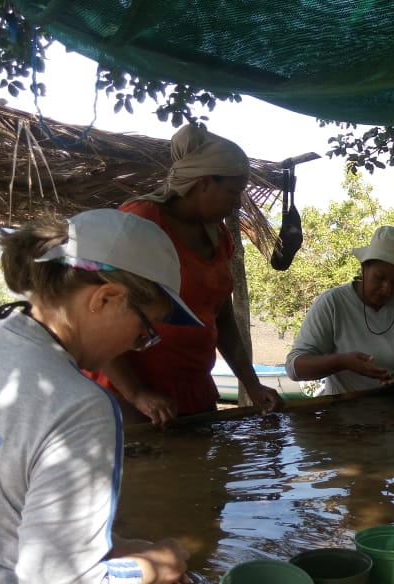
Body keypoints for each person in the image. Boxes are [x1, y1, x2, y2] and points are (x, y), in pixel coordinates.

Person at [0, 209, 193, 583]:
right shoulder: (80, 406)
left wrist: (103, 541)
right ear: (106, 298)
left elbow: (1, 508)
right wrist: (159, 567)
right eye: (144, 330)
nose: (138, 345)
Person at [88, 125, 284, 424]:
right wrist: (137, 393)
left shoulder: (219, 234)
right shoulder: (139, 222)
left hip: (193, 391)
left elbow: (221, 315)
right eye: (233, 192)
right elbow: (97, 314)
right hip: (127, 398)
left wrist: (251, 383)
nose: (238, 203)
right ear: (204, 183)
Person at [286, 226, 394, 395]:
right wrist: (342, 362)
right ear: (364, 268)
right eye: (379, 278)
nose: (386, 289)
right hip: (345, 414)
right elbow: (294, 368)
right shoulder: (333, 302)